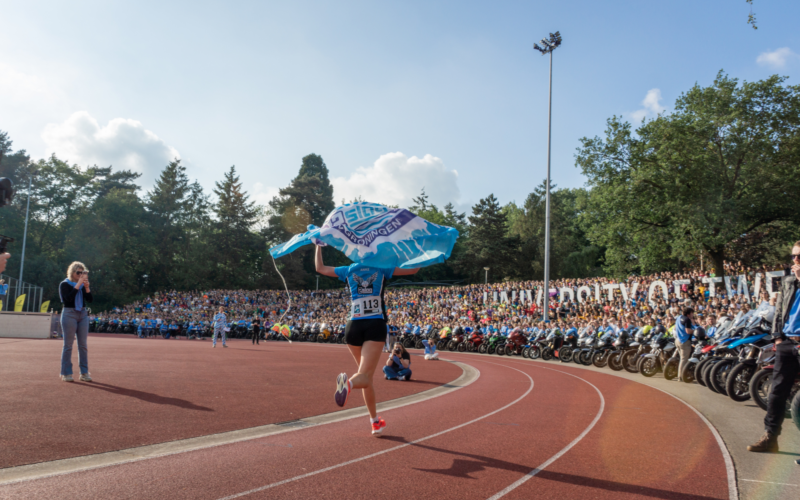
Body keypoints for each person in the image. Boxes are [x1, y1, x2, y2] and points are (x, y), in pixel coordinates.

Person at [315, 246, 418, 436]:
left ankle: (374, 421)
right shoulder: (382, 268)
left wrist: (318, 246)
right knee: (362, 376)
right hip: (374, 325)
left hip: (352, 326)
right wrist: (417, 248)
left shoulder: (349, 269)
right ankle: (348, 385)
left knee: (367, 378)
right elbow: (413, 269)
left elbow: (320, 268)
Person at [748, 242, 800, 463]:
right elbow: (779, 310)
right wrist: (777, 337)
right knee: (776, 391)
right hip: (787, 342)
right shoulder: (789, 282)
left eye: (799, 257)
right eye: (794, 257)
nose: (795, 261)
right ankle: (771, 438)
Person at [59, 261, 93, 382]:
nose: (80, 274)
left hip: (83, 313)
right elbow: (68, 299)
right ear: (72, 272)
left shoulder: (83, 285)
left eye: (82, 272)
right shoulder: (64, 284)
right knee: (68, 345)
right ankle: (66, 373)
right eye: (78, 272)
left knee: (83, 345)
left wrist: (87, 287)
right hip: (69, 313)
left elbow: (90, 299)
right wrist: (78, 284)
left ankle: (84, 372)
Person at [673, 307, 695, 383]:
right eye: (692, 313)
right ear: (689, 314)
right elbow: (688, 331)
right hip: (684, 341)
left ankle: (680, 374)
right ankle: (681, 377)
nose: (693, 315)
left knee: (682, 359)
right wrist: (695, 331)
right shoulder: (687, 320)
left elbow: (675, 328)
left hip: (677, 340)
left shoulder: (679, 318)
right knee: (684, 360)